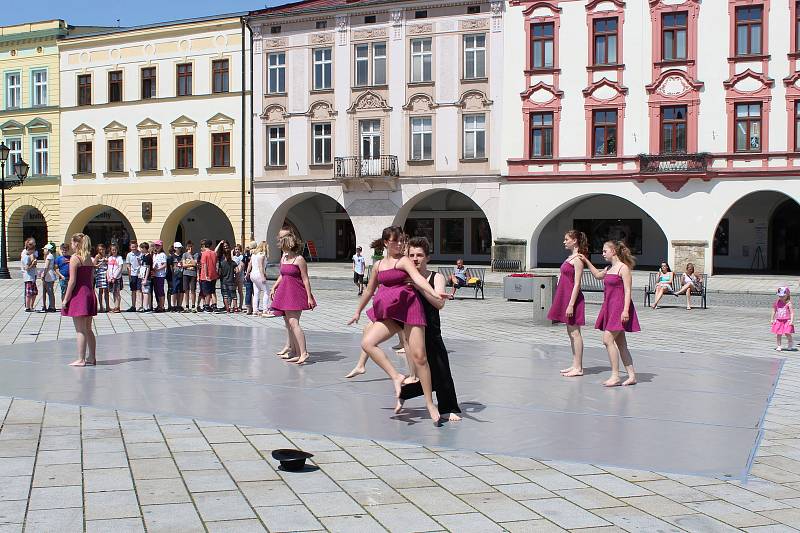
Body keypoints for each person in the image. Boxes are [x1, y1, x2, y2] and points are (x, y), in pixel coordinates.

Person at [348, 226, 445, 425]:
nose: (400, 244)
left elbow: (418, 278)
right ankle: (396, 376)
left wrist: (435, 293)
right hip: (390, 312)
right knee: (367, 343)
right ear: (386, 243)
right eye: (396, 241)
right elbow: (368, 291)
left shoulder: (404, 261)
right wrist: (358, 311)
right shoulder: (378, 265)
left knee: (420, 357)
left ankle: (429, 402)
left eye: (402, 241)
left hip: (409, 309)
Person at [397, 237, 462, 421]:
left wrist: (420, 286)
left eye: (419, 255)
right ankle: (404, 393)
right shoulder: (403, 278)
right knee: (430, 376)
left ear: (427, 258)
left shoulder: (436, 277)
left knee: (442, 370)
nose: (415, 259)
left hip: (432, 330)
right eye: (411, 255)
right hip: (412, 332)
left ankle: (446, 407)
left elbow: (439, 304)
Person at [580, 241, 640, 387]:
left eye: (605, 250)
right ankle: (631, 376)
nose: (603, 253)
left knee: (607, 340)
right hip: (609, 307)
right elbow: (597, 275)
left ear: (613, 251)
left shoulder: (623, 268)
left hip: (619, 309)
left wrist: (626, 310)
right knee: (621, 344)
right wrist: (586, 260)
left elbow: (627, 291)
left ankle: (615, 375)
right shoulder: (609, 268)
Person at [270, 229, 316, 364]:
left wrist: (309, 297)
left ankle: (304, 352)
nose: (280, 245)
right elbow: (282, 275)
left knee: (294, 323)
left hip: (296, 293)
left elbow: (305, 279)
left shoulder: (299, 259)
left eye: (282, 243)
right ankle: (295, 352)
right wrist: (274, 286)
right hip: (285, 292)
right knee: (289, 323)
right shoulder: (284, 258)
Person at [547, 230, 588, 378]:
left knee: (575, 333)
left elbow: (577, 284)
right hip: (565, 297)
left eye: (566, 239)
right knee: (570, 332)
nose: (564, 242)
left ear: (575, 240)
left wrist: (571, 304)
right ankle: (575, 364)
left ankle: (579, 367)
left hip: (572, 299)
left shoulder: (577, 259)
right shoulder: (571, 257)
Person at [62, 233, 98, 367]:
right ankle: (92, 357)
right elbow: (90, 279)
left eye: (72, 243)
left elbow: (72, 281)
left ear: (76, 244)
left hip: (79, 295)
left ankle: (81, 359)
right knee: (88, 329)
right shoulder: (88, 258)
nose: (71, 246)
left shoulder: (75, 258)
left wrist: (66, 299)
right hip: (89, 293)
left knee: (80, 330)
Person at [248, 240, 271, 316]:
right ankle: (265, 309)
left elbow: (250, 264)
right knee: (266, 292)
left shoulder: (254, 254)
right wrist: (263, 276)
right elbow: (261, 267)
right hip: (259, 274)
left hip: (253, 274)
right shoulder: (262, 255)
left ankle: (255, 310)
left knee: (256, 292)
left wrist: (247, 273)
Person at [772, 286, 795, 351]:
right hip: (779, 320)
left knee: (787, 333)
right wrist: (772, 319)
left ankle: (790, 343)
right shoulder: (776, 302)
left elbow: (792, 313)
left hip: (787, 320)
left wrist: (791, 320)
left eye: (783, 296)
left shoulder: (789, 304)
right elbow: (774, 311)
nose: (781, 298)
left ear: (787, 295)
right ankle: (779, 346)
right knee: (778, 334)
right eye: (780, 296)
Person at [199, 239, 219, 312]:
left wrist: (206, 275)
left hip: (206, 276)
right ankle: (214, 306)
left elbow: (205, 265)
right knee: (213, 291)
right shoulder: (214, 253)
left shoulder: (204, 254)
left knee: (207, 292)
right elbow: (216, 264)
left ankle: (207, 306)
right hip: (214, 275)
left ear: (204, 245)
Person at [39, 243, 58, 312]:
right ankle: (49, 305)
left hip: (48, 275)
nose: (43, 251)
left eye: (44, 249)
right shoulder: (50, 256)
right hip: (49, 274)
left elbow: (46, 267)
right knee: (49, 291)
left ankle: (52, 306)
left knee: (49, 291)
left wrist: (43, 274)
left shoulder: (49, 256)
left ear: (48, 250)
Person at [106, 243, 124, 313]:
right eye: (112, 250)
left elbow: (120, 268)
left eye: (115, 250)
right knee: (113, 292)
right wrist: (108, 277)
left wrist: (114, 277)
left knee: (117, 292)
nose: (114, 251)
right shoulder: (109, 258)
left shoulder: (119, 258)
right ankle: (115, 306)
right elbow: (108, 268)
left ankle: (118, 306)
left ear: (117, 250)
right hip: (110, 278)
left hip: (117, 278)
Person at [181, 241, 199, 312]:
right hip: (186, 274)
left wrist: (190, 256)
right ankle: (187, 306)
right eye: (189, 247)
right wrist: (191, 264)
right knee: (186, 290)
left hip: (193, 274)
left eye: (191, 246)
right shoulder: (184, 255)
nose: (190, 248)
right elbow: (184, 265)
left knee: (193, 290)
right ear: (186, 247)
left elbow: (195, 263)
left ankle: (193, 306)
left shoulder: (196, 254)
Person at [218, 247, 238, 313]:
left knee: (225, 296)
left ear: (224, 255)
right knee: (234, 295)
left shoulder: (222, 263)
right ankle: (235, 308)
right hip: (231, 281)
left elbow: (219, 273)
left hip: (224, 281)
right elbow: (237, 270)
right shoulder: (233, 263)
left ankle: (228, 309)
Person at [21, 239, 38, 312]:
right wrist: (33, 263)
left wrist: (34, 263)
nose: (34, 252)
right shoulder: (26, 256)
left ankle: (31, 306)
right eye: (33, 250)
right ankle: (27, 307)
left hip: (32, 276)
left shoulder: (30, 256)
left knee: (34, 292)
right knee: (29, 293)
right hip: (29, 277)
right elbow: (27, 268)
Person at [125, 241, 142, 312]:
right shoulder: (129, 255)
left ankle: (140, 306)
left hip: (140, 274)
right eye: (132, 247)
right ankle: (133, 306)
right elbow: (128, 265)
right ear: (130, 247)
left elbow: (142, 264)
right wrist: (129, 275)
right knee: (133, 290)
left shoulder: (140, 254)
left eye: (135, 247)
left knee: (139, 290)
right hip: (132, 274)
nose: (134, 248)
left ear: (137, 246)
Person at [151, 240, 168, 312]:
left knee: (160, 291)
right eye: (156, 245)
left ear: (161, 246)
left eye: (158, 245)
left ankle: (162, 306)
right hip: (155, 275)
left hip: (160, 275)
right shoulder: (155, 254)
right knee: (156, 291)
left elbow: (164, 264)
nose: (157, 247)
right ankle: (158, 305)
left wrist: (157, 269)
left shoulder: (162, 254)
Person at [94, 243, 109, 313]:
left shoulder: (107, 256)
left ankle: (107, 306)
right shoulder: (97, 256)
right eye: (100, 249)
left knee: (107, 291)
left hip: (106, 274)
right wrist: (101, 262)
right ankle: (101, 306)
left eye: (102, 249)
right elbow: (94, 266)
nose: (101, 250)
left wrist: (107, 261)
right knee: (101, 291)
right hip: (100, 274)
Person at [138, 242, 153, 312]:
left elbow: (148, 268)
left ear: (144, 248)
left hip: (146, 277)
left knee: (146, 292)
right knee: (145, 291)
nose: (140, 249)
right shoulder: (144, 256)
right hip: (142, 276)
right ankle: (148, 306)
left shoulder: (148, 257)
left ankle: (146, 307)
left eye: (141, 248)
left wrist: (145, 278)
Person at [170, 243, 184, 312]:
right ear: (174, 248)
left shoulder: (183, 256)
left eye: (180, 248)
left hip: (182, 275)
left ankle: (179, 305)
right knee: (174, 290)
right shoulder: (172, 256)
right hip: (174, 276)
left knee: (181, 290)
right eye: (177, 248)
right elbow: (170, 267)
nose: (179, 249)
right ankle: (173, 305)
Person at [232, 244, 245, 312]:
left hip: (240, 276)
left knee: (240, 291)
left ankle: (240, 305)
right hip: (234, 276)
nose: (237, 251)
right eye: (236, 249)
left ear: (240, 250)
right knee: (233, 291)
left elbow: (241, 266)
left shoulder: (241, 257)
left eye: (238, 249)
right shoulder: (233, 257)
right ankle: (235, 305)